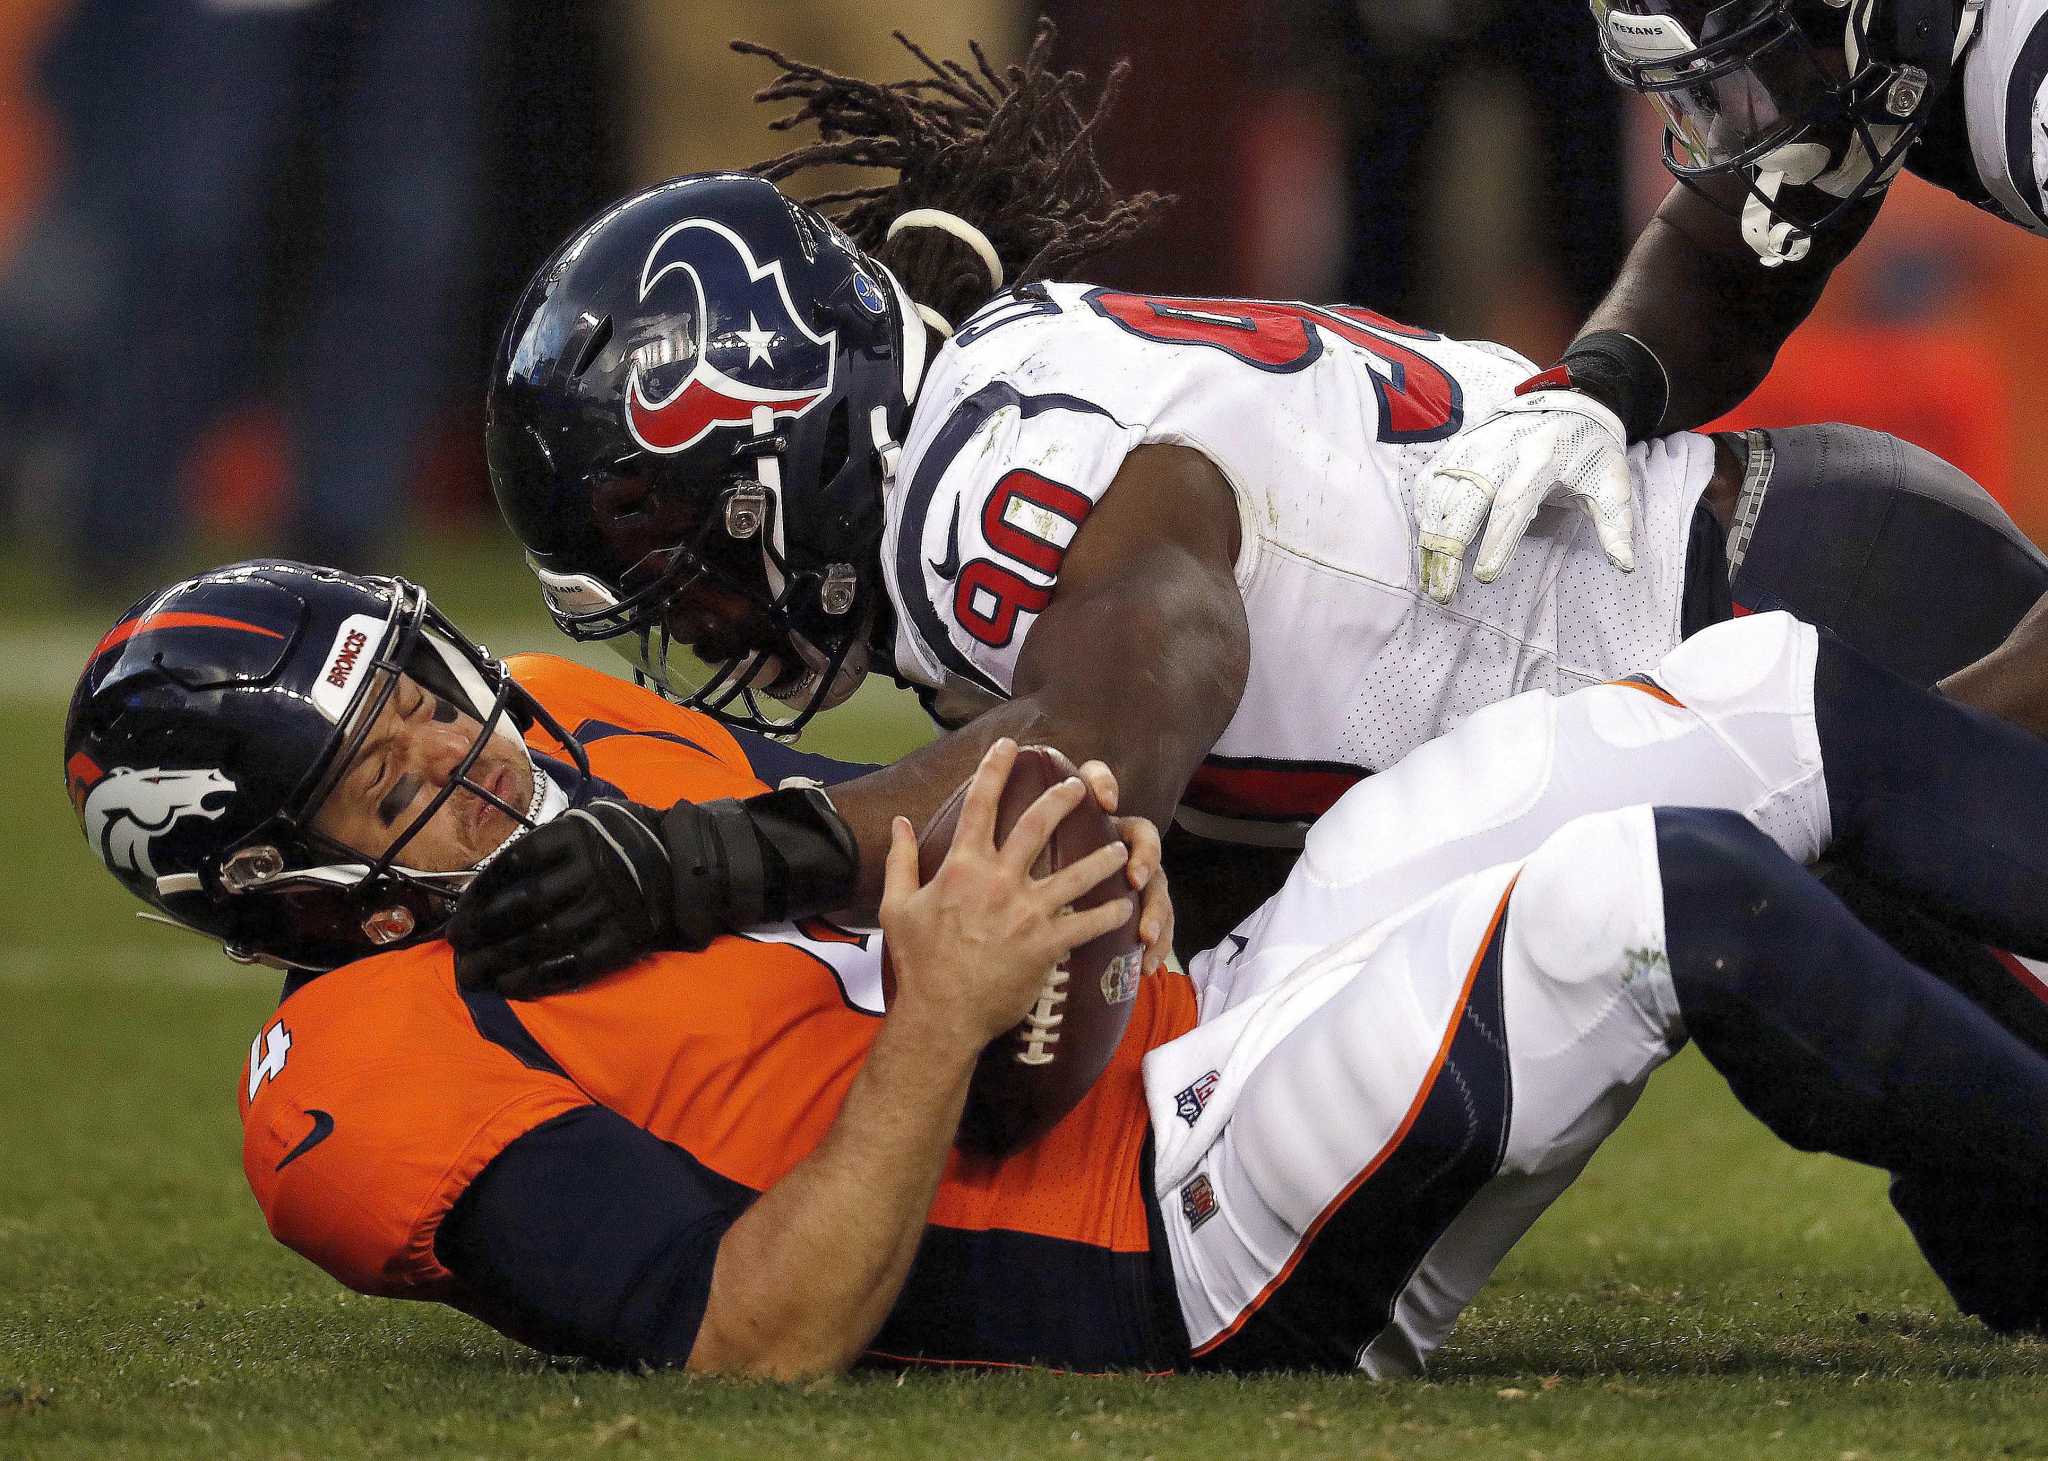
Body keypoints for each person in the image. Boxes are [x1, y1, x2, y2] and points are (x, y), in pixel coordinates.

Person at [64, 559, 2048, 1371]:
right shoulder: (352, 1078)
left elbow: (913, 824)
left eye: (419, 685)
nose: (458, 744)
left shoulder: (586, 723)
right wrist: (942, 1013)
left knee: (1757, 694)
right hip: (1168, 1233)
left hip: (1203, 1017)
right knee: (1646, 889)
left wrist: (1088, 871)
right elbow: (750, 1338)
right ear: (264, 881)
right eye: (375, 770)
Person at [472, 30, 2048, 968]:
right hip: (1780, 591)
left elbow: (1133, 706)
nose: (705, 627)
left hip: (1814, 628)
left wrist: (727, 863)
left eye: (686, 568)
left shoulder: (979, 492)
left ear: (772, 455)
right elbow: (1267, 810)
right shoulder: (997, 398)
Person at [1414, 0, 2048, 605]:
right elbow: (1721, 266)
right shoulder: (1901, 35)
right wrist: (1595, 392)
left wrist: (1940, 713)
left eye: (1755, 65)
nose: (1737, 120)